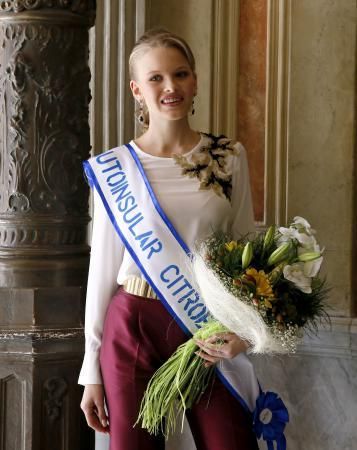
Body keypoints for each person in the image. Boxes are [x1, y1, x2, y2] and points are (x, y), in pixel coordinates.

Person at [79, 28, 259, 450]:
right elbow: (102, 270)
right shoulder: (114, 167)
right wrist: (91, 369)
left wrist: (246, 333)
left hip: (207, 323)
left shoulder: (228, 157)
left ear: (194, 80)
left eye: (180, 75)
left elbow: (248, 251)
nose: (170, 87)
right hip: (134, 324)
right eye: (156, 78)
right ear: (136, 89)